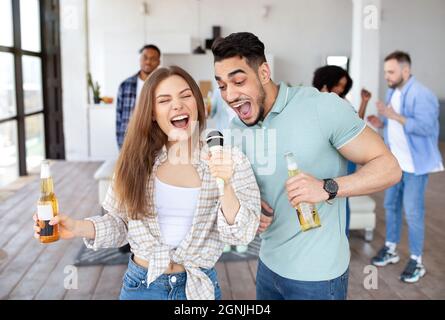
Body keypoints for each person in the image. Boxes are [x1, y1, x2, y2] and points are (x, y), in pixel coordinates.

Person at [34, 66, 261, 300]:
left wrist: (225, 184)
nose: (177, 105)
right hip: (142, 286)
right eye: (164, 100)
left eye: (185, 95)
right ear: (152, 112)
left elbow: (241, 236)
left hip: (198, 289)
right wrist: (77, 227)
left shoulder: (232, 159)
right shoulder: (134, 162)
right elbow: (120, 225)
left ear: (197, 103)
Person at [211, 32, 401, 300]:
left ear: (264, 72)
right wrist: (253, 206)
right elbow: (250, 190)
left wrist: (328, 187)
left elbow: (389, 168)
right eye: (221, 86)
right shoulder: (236, 128)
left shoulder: (321, 108)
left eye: (238, 81)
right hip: (267, 266)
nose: (229, 95)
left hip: (317, 277)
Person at [367, 51, 443, 283]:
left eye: (391, 72)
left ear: (405, 71)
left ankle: (417, 261)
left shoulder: (423, 95)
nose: (387, 76)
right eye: (385, 72)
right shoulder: (394, 92)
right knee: (390, 205)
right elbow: (396, 124)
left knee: (412, 212)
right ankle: (391, 248)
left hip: (415, 167)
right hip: (395, 164)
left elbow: (427, 128)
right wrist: (383, 122)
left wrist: (394, 116)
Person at [312, 64, 372, 236]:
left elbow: (355, 125)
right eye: (338, 84)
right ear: (326, 82)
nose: (340, 89)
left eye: (343, 86)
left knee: (341, 199)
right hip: (323, 156)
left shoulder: (342, 102)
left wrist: (364, 102)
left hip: (344, 156)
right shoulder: (313, 100)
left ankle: (341, 236)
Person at [116, 44, 161, 149]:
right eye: (145, 57)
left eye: (153, 59)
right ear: (140, 59)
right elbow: (119, 117)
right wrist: (120, 143)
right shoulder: (125, 85)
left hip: (154, 137)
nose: (148, 61)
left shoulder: (162, 85)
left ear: (158, 62)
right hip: (129, 137)